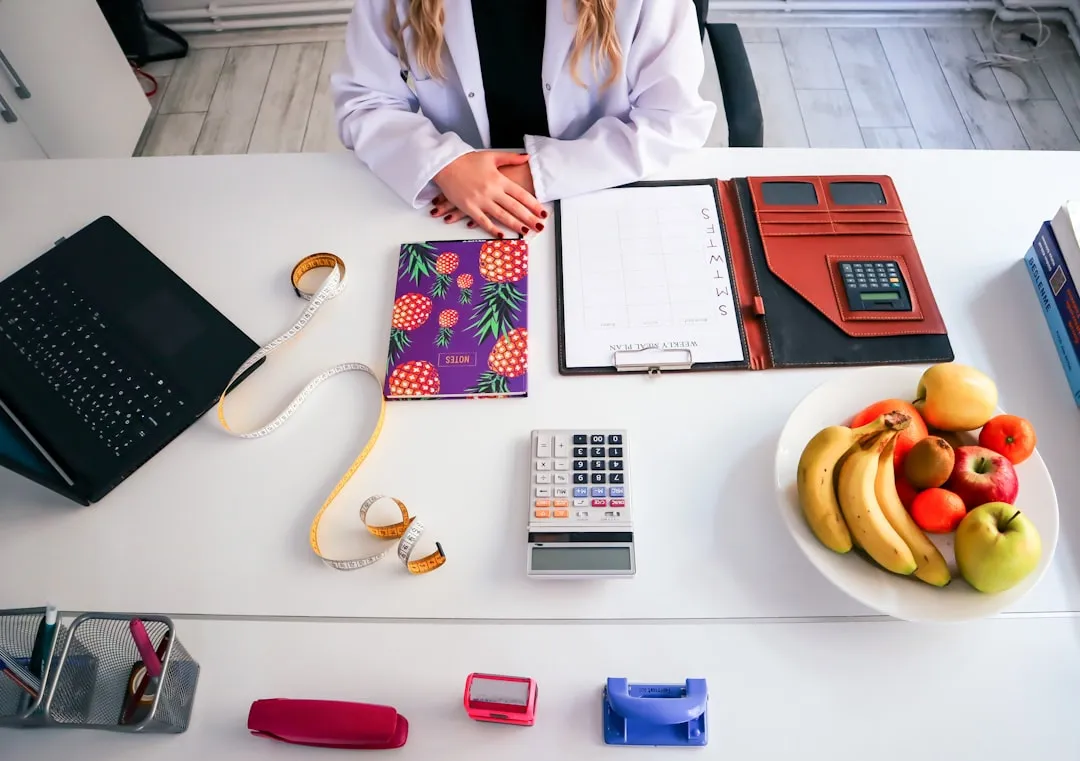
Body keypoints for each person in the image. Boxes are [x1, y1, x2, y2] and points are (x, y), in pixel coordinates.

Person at [331, 0, 717, 239]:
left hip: (600, 190)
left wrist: (534, 175)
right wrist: (445, 164)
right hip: (463, 206)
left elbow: (673, 121)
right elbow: (363, 100)